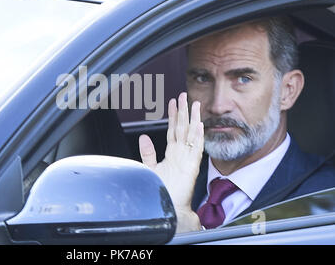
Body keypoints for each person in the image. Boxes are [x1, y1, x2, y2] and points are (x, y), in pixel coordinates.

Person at [138, 17, 335, 233]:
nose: (218, 105)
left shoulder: (325, 199)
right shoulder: (168, 184)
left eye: (243, 79)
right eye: (203, 78)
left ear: (288, 90)